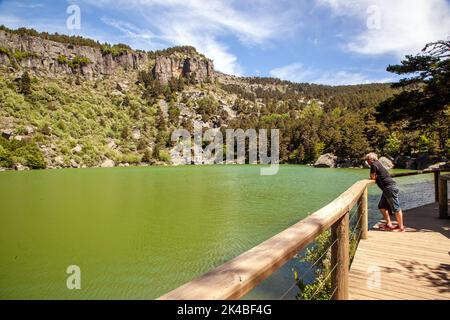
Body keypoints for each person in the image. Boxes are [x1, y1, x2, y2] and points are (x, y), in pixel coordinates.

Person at [366, 153, 405, 232]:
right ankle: (389, 224)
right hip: (388, 188)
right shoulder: (378, 163)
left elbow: (372, 177)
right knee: (381, 206)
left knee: (396, 208)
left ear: (371, 160)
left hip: (389, 188)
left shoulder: (374, 165)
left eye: (367, 160)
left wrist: (374, 176)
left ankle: (401, 227)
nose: (367, 162)